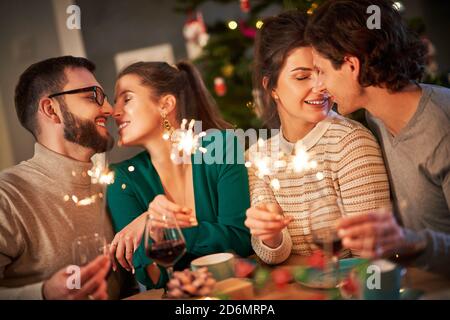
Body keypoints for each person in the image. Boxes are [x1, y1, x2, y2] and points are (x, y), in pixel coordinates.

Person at [305, 0, 450, 275]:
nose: (318, 86)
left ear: (351, 66)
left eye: (321, 71)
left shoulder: (443, 127)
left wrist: (411, 243)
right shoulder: (376, 117)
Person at [244, 11, 391, 265]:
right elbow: (273, 254)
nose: (320, 86)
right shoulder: (258, 158)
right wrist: (271, 236)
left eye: (322, 72)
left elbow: (373, 257)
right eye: (302, 77)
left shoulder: (351, 143)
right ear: (272, 88)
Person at [107, 61, 252, 289]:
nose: (114, 112)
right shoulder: (122, 180)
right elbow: (152, 278)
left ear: (166, 104)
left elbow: (241, 241)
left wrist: (162, 225)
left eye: (127, 99)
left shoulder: (222, 147)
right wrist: (152, 223)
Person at [0, 56, 131, 299]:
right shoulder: (7, 196)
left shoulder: (108, 185)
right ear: (52, 110)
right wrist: (44, 294)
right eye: (93, 96)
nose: (110, 109)